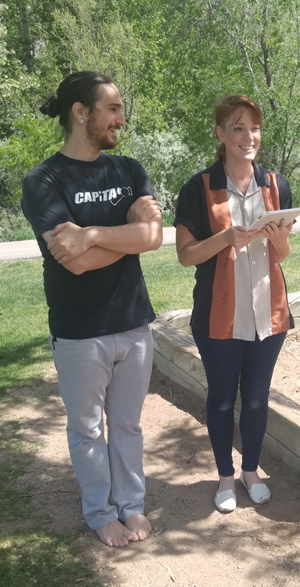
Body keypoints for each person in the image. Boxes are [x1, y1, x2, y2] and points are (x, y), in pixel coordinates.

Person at [22, 71, 163, 546]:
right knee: (87, 430)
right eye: (113, 109)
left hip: (133, 323)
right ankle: (101, 511)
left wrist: (94, 234)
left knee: (127, 425)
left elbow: (155, 236)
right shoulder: (42, 180)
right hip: (80, 332)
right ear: (81, 113)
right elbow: (74, 264)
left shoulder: (127, 169)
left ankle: (132, 505)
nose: (122, 119)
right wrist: (128, 237)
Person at [174, 95, 294, 512]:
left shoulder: (275, 184)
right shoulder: (199, 187)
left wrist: (279, 242)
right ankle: (225, 476)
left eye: (255, 128)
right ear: (220, 134)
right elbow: (186, 255)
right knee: (223, 398)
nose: (248, 137)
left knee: (258, 398)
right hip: (218, 315)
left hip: (269, 312)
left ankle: (250, 471)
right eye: (238, 128)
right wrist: (225, 238)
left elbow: (284, 254)